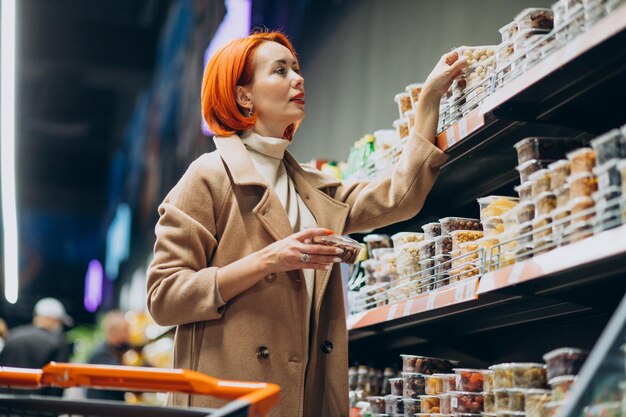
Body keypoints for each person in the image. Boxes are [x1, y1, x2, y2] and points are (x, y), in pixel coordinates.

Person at [147, 30, 465, 417]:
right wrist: (269, 260)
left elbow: (400, 197)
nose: (298, 78)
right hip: (229, 402)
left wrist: (428, 101)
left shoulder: (309, 187)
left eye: (296, 68)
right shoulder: (209, 175)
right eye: (280, 71)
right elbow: (164, 296)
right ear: (243, 95)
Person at [0, 297, 73, 396]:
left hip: (6, 403)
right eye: (58, 321)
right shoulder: (57, 344)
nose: (59, 326)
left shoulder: (12, 335)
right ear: (50, 319)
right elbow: (58, 383)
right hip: (37, 406)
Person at [85, 310, 131, 401]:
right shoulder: (101, 355)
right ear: (114, 332)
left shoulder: (114, 350)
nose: (129, 334)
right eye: (126, 330)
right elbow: (124, 378)